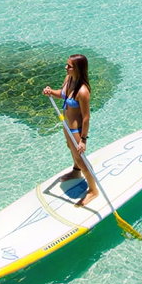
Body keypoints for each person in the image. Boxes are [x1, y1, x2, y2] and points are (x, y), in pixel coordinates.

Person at [41, 54, 100, 207]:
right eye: (67, 65)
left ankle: (93, 190)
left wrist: (83, 140)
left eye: (69, 66)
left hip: (76, 130)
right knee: (71, 149)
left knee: (81, 159)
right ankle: (76, 171)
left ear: (78, 69)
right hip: (67, 125)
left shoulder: (83, 91)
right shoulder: (69, 79)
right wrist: (51, 92)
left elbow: (86, 118)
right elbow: (63, 94)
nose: (66, 68)